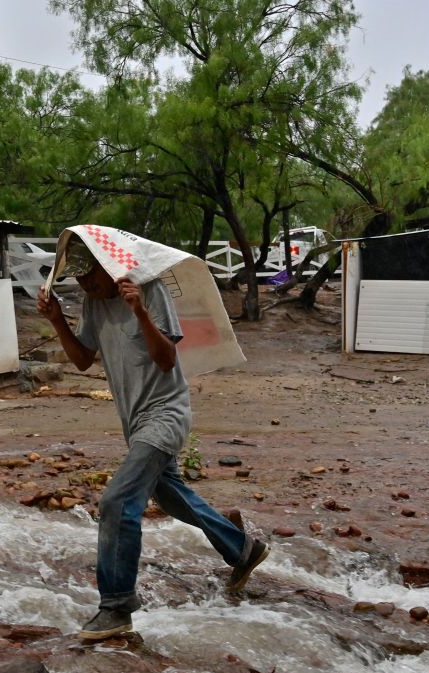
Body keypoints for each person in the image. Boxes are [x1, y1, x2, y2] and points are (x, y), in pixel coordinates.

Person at [37, 237, 269, 641]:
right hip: (136, 422)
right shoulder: (92, 303)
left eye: (89, 277)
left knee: (117, 501)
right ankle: (243, 549)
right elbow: (82, 359)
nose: (85, 287)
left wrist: (139, 311)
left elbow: (165, 360)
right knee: (170, 495)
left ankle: (116, 607)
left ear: (108, 268)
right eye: (79, 282)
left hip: (165, 416)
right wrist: (57, 319)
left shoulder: (150, 292)